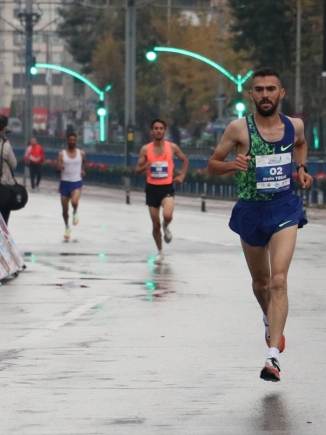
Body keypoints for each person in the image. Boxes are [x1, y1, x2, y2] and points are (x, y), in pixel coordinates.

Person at [207, 68, 313, 382]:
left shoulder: (294, 126)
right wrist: (231, 165)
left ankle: (273, 358)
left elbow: (301, 144)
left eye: (270, 89)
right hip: (251, 210)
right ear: (251, 94)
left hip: (283, 207)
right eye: (259, 90)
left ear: (281, 93)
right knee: (261, 283)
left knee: (279, 281)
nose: (265, 95)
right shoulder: (239, 129)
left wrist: (302, 168)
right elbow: (211, 166)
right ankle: (269, 320)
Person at [134, 119, 189, 265]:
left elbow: (185, 160)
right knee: (155, 224)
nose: (158, 131)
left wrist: (182, 175)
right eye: (155, 128)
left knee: (167, 215)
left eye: (161, 128)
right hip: (152, 189)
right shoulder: (146, 149)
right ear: (152, 131)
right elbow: (137, 170)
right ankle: (160, 252)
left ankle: (167, 225)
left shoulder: (172, 147)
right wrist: (144, 166)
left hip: (167, 187)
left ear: (165, 131)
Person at [56, 133, 86, 239]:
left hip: (76, 182)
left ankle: (75, 212)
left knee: (74, 201)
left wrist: (83, 170)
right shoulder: (62, 154)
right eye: (70, 140)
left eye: (74, 140)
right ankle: (67, 227)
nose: (72, 141)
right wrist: (60, 168)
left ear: (76, 141)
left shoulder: (81, 153)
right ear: (67, 141)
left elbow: (84, 163)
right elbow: (57, 167)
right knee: (64, 210)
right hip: (64, 183)